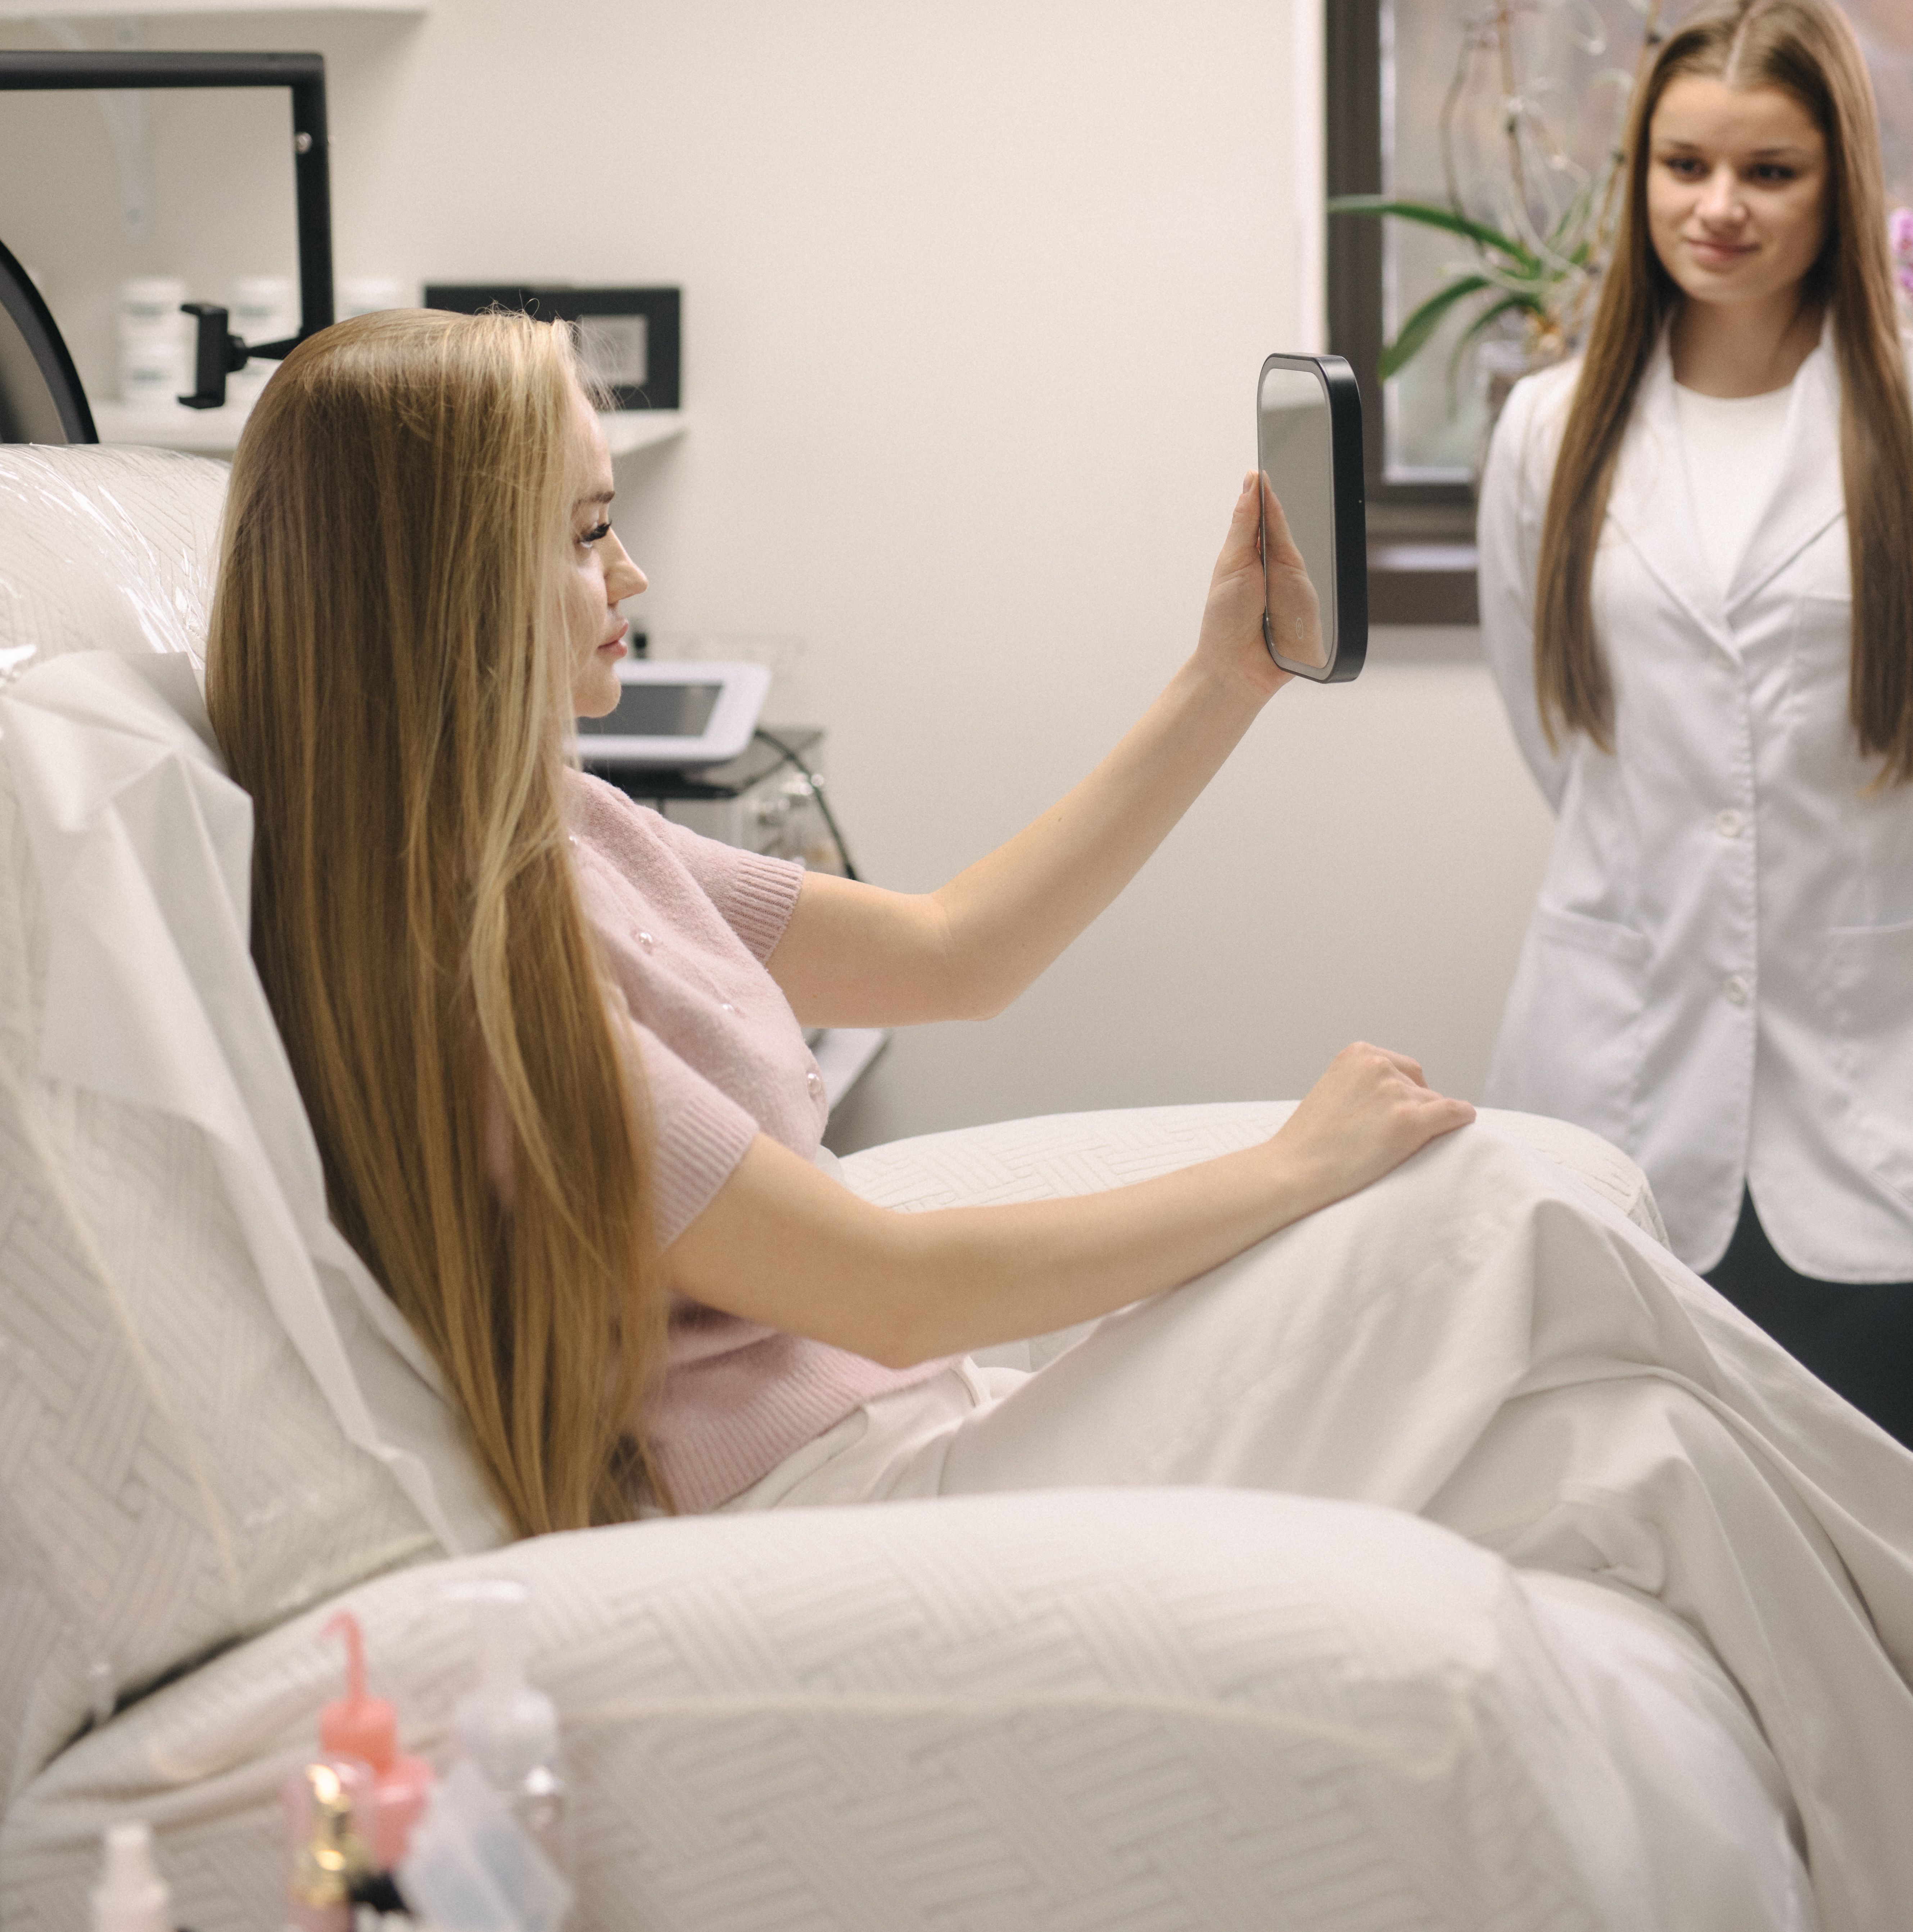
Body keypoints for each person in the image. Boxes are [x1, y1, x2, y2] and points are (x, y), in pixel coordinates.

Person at [205, 307, 1913, 1922]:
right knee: (1517, 1214)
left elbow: (959, 952)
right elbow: (891, 1291)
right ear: (439, 576)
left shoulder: (575, 829)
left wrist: (1224, 678)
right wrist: (1288, 1171)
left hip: (917, 1436)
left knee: (1636, 1446)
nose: (632, 570)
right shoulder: (471, 975)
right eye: (586, 533)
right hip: (831, 1536)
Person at [1478, 0, 1913, 1448]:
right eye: (1685, 165)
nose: (1719, 206)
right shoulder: (1549, 428)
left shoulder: (1905, 416)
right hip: (1621, 1052)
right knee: (1646, 1539)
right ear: (1641, 174)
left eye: (1770, 171)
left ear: (1838, 183)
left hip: (1870, 1073)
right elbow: (1558, 734)